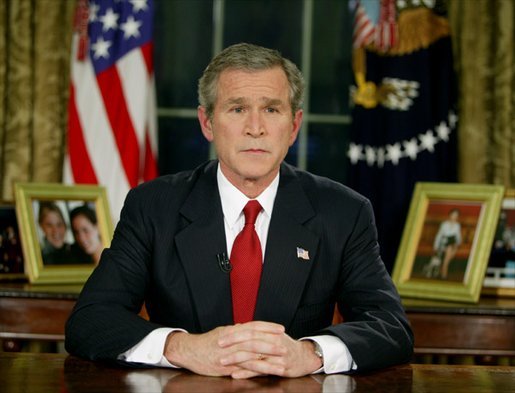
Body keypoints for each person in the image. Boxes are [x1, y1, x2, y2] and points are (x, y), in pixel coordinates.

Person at [65, 43, 413, 378]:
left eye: (272, 109)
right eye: (237, 109)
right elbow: (91, 320)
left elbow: (390, 327)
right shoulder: (154, 206)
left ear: (293, 126)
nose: (255, 128)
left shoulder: (344, 212)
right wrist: (183, 347)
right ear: (207, 123)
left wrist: (309, 354)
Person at [433, 208, 462, 279]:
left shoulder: (457, 225)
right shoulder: (444, 224)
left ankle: (443, 270)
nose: (454, 217)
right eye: (453, 215)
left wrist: (458, 243)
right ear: (450, 215)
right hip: (444, 242)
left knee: (451, 251)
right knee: (449, 250)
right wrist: (435, 245)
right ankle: (444, 273)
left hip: (452, 243)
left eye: (456, 216)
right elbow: (439, 235)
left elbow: (458, 236)